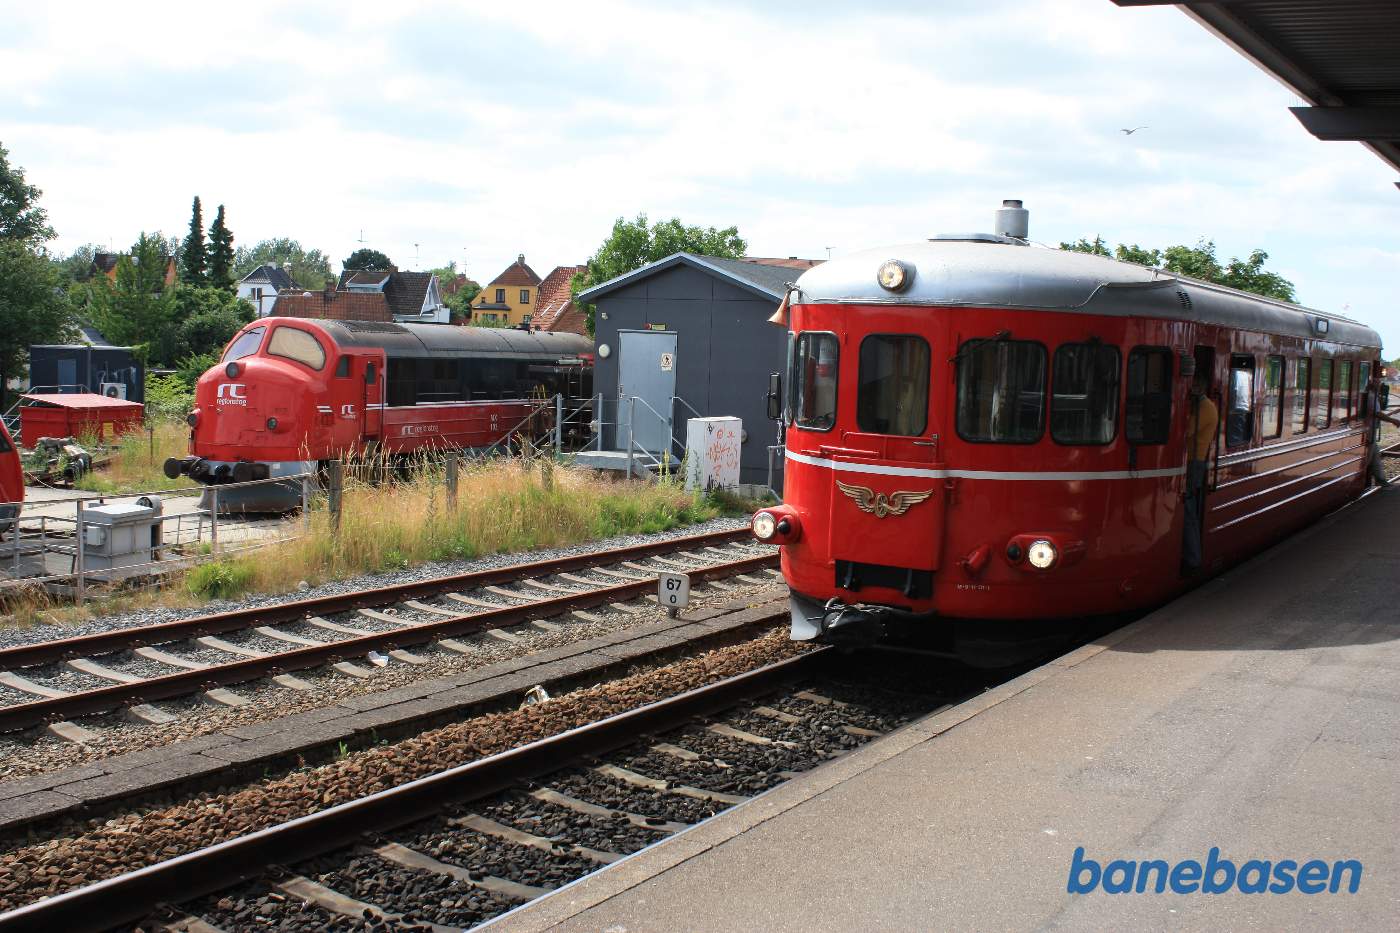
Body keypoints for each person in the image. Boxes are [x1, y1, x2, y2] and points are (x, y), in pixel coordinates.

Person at [1183, 370, 1218, 573]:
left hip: (1195, 462)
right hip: (1191, 461)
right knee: (1189, 508)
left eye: (1195, 386)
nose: (1192, 390)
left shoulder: (1206, 408)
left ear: (1202, 388)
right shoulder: (1200, 406)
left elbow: (1187, 431)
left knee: (1189, 510)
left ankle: (1193, 557)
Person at [1364, 373, 1399, 486]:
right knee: (1368, 458)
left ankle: (1381, 480)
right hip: (1369, 431)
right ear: (1372, 384)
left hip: (1372, 431)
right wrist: (1393, 420)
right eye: (1377, 382)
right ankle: (1364, 479)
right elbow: (1377, 413)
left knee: (1375, 455)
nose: (1379, 384)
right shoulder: (1371, 397)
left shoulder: (1373, 396)